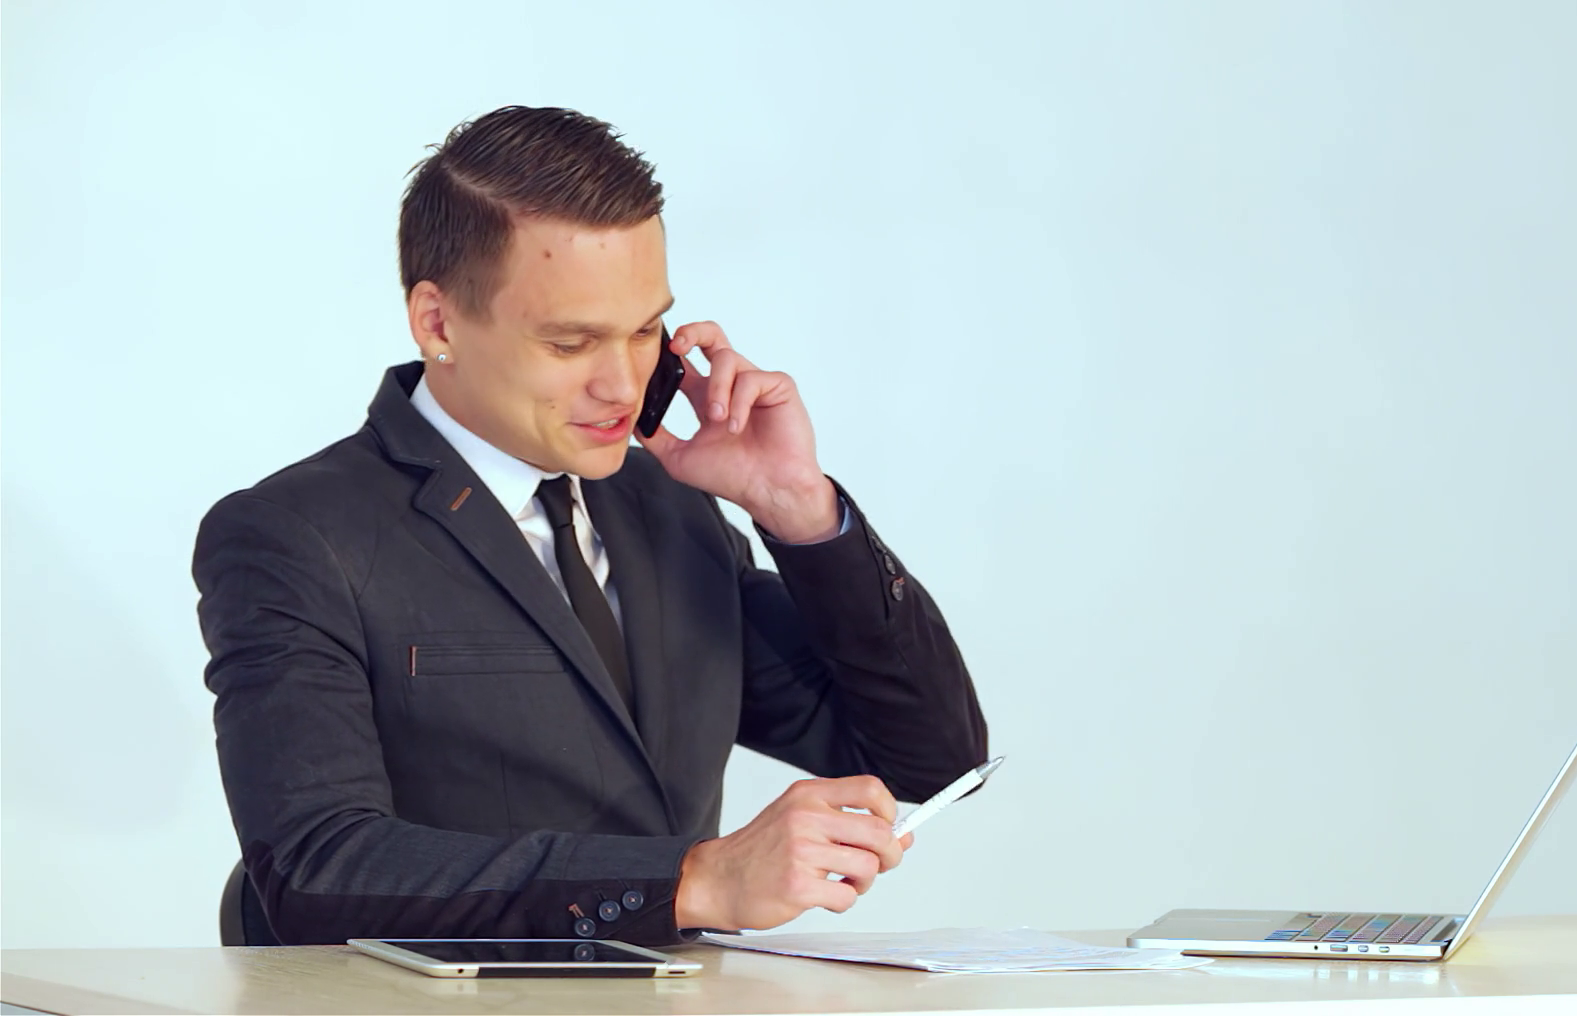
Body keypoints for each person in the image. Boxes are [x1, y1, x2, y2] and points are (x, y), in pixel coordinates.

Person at [194, 105, 989, 947]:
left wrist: (801, 511)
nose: (621, 385)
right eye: (571, 343)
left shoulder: (669, 510)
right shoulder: (295, 534)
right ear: (437, 323)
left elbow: (931, 762)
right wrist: (693, 881)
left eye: (645, 331)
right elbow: (317, 868)